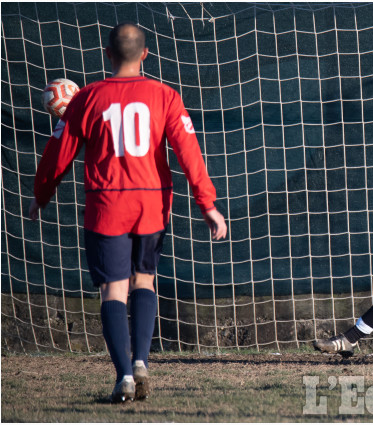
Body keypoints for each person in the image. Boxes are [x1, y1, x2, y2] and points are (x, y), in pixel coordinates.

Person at [29, 23, 227, 402]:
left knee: (112, 289)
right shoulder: (165, 95)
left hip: (107, 206)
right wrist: (208, 204)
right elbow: (189, 152)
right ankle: (141, 361)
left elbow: (58, 155)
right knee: (145, 280)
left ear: (108, 54)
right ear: (145, 55)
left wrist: (42, 194)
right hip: (152, 204)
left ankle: (123, 375)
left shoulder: (88, 98)